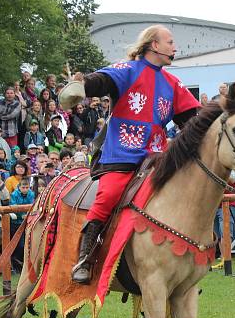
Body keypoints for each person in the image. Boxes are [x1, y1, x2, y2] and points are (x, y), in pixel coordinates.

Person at [59, 25, 200, 284]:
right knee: (108, 196)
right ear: (154, 45)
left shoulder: (173, 83)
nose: (175, 47)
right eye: (170, 42)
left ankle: (178, 268)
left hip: (156, 158)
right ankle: (85, 257)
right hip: (120, 155)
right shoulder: (128, 70)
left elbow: (194, 120)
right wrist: (81, 85)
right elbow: (101, 81)